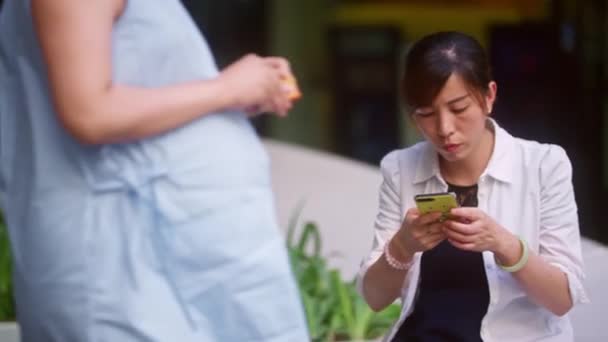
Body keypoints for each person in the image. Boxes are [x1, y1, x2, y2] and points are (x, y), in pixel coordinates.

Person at [0, 0, 309, 341]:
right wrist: (226, 89)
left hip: (171, 253)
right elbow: (88, 113)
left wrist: (237, 96)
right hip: (128, 259)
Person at [357, 31, 588, 342]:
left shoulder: (544, 165)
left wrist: (505, 244)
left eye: (459, 108)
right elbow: (374, 298)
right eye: (426, 114)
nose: (444, 129)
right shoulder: (399, 168)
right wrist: (402, 246)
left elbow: (562, 299)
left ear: (489, 96)